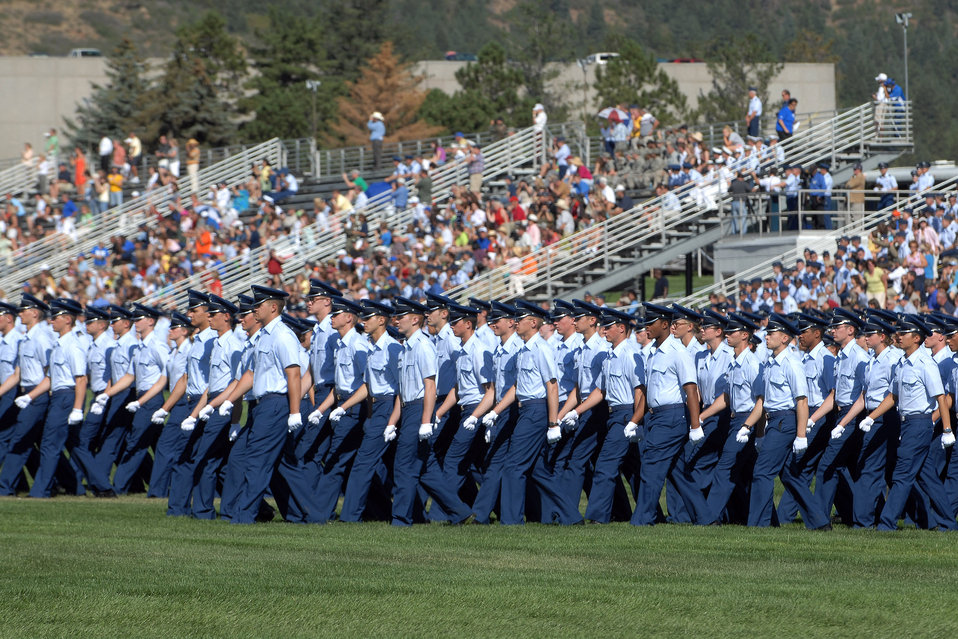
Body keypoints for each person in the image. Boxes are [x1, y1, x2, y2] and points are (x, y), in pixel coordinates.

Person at [859, 315, 957, 531]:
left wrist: (947, 429)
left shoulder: (925, 364)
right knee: (927, 478)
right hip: (907, 424)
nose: (898, 336)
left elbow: (941, 398)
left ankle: (886, 524)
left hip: (919, 423)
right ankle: (948, 524)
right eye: (899, 333)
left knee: (902, 475)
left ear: (916, 338)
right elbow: (892, 397)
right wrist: (871, 417)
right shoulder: (902, 363)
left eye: (903, 334)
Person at [217, 286, 302, 525]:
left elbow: (293, 374)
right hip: (260, 406)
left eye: (259, 305)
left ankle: (244, 516)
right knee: (246, 457)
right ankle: (303, 514)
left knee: (256, 462)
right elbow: (251, 374)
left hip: (275, 404)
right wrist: (229, 399)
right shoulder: (264, 336)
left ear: (273, 307)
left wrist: (295, 411)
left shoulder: (283, 335)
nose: (254, 309)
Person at [746, 314, 830, 529]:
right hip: (774, 421)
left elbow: (801, 401)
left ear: (784, 338)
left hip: (785, 422)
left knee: (761, 472)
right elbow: (765, 403)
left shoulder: (791, 363)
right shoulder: (771, 363)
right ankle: (819, 522)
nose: (766, 337)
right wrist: (758, 431)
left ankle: (758, 524)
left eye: (771, 334)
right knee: (790, 476)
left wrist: (801, 435)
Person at [631, 303, 709, 526]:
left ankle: (643, 519)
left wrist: (695, 426)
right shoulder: (654, 353)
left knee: (651, 467)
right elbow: (650, 392)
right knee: (678, 473)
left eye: (651, 323)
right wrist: (635, 420)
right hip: (656, 417)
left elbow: (691, 390)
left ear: (665, 324)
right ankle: (706, 517)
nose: (647, 327)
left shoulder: (678, 352)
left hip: (671, 417)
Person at [334, 300, 402, 523]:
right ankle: (417, 514)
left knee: (363, 463)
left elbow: (401, 388)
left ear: (381, 320)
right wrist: (344, 407)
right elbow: (367, 386)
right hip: (378, 408)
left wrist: (391, 419)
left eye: (368, 318)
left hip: (389, 407)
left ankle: (349, 517)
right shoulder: (372, 348)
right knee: (393, 465)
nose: (363, 321)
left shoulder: (392, 348)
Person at [308, 296, 369, 523]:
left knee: (335, 461)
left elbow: (367, 385)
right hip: (342, 406)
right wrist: (321, 410)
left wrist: (343, 408)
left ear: (349, 318)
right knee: (349, 462)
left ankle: (318, 514)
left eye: (337, 314)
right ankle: (376, 510)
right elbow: (338, 386)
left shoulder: (357, 345)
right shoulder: (341, 344)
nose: (332, 317)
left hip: (353, 409)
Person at [27, 299, 87, 498]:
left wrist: (78, 408)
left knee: (49, 444)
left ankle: (40, 491)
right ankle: (93, 487)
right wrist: (29, 396)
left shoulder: (72, 346)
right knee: (74, 446)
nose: (51, 321)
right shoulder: (59, 345)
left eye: (56, 317)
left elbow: (81, 379)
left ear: (68, 320)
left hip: (66, 397)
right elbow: (50, 378)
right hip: (59, 396)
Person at [111, 304, 170, 494]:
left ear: (151, 321)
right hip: (142, 398)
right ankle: (161, 487)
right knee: (160, 446)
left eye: (139, 319)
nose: (136, 323)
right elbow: (129, 376)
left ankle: (119, 487)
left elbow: (167, 374)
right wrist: (106, 394)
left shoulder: (157, 346)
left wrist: (143, 401)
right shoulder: (138, 348)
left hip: (151, 400)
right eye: (135, 319)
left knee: (135, 443)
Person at [0, 295, 55, 495]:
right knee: (33, 442)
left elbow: (50, 374)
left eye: (23, 311)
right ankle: (66, 482)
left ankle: (4, 487)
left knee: (19, 440)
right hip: (26, 394)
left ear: (34, 313)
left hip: (36, 395)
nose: (20, 313)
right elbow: (17, 373)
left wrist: (33, 396)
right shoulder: (26, 338)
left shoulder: (41, 338)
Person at [145, 311, 192, 499]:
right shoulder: (173, 352)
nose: (169, 330)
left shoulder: (188, 350)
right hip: (175, 402)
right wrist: (141, 402)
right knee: (178, 448)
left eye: (174, 327)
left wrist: (166, 408)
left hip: (184, 403)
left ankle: (157, 492)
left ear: (184, 331)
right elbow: (162, 380)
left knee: (167, 446)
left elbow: (184, 382)